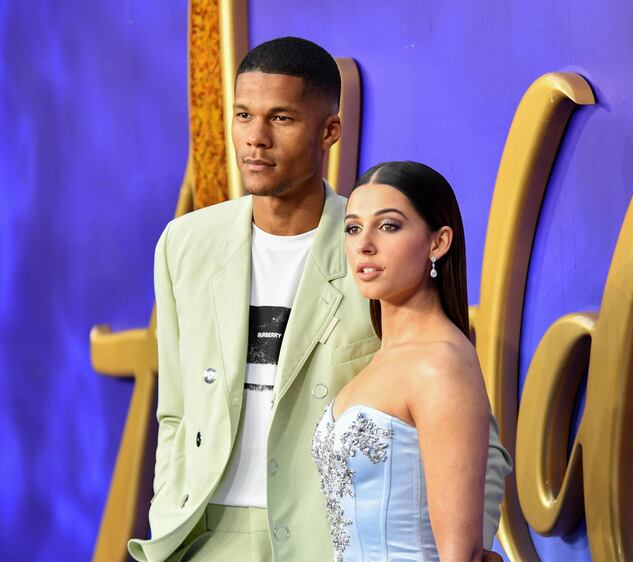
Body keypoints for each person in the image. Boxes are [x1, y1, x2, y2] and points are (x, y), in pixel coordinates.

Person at [128, 37, 511, 562]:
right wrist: (167, 514)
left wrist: (459, 547)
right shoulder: (185, 244)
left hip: (323, 543)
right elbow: (175, 412)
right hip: (202, 537)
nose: (256, 138)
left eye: (281, 118)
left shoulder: (374, 256)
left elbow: (474, 443)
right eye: (243, 115)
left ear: (329, 130)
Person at [312, 161, 493, 562]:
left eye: (389, 226)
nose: (364, 244)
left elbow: (459, 555)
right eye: (353, 228)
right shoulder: (381, 360)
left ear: (438, 242)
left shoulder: (440, 364)